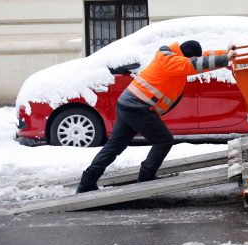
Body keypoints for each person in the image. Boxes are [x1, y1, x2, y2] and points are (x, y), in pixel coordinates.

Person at [76, 40, 230, 193]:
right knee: (164, 141)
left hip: (127, 104)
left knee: (114, 146)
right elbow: (192, 64)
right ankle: (145, 179)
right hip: (138, 107)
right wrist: (226, 59)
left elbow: (202, 58)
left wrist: (226, 53)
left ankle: (87, 182)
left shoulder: (174, 57)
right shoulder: (172, 62)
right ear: (187, 56)